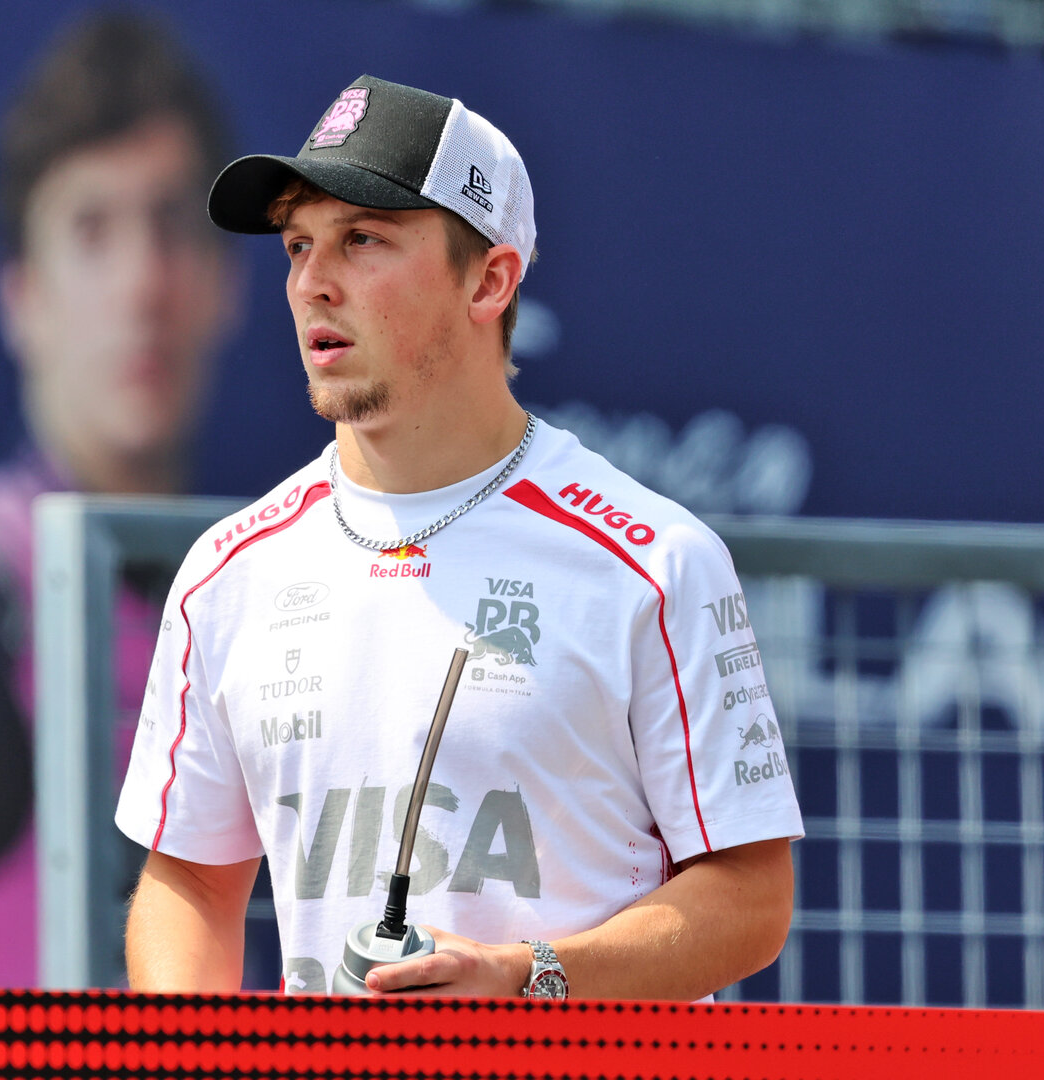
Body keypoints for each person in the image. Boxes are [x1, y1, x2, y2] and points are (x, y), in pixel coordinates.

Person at [114, 75, 802, 997]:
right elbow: (191, 881)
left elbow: (751, 901)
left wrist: (526, 984)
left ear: (490, 279)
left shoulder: (654, 562)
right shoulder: (227, 573)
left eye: (362, 240)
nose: (314, 281)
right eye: (298, 245)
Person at [0, 10, 235, 987]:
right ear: (20, 297)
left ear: (226, 283)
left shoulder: (298, 606)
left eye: (170, 225)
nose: (141, 286)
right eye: (91, 230)